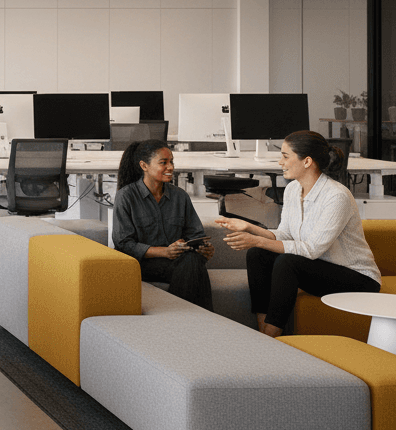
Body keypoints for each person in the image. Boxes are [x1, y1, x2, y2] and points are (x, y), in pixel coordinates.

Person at [218, 130, 381, 338]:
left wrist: (256, 239)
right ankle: (263, 332)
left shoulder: (337, 196)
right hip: (320, 267)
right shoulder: (293, 190)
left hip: (357, 278)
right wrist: (249, 227)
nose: (280, 162)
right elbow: (285, 233)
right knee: (257, 254)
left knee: (287, 263)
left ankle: (271, 334)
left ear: (307, 161)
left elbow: (311, 249)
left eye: (286, 156)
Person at [112, 139, 214, 310]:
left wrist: (204, 249)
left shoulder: (180, 196)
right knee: (192, 265)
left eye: (172, 161)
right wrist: (164, 252)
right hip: (142, 264)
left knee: (193, 261)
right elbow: (123, 244)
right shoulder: (126, 196)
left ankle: (178, 321)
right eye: (163, 162)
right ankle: (204, 321)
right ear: (144, 166)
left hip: (177, 263)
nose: (171, 167)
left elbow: (195, 235)